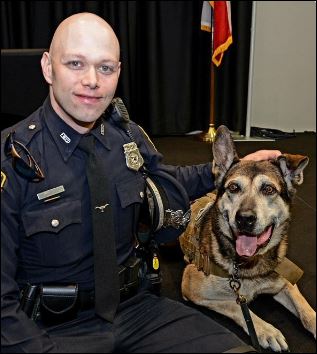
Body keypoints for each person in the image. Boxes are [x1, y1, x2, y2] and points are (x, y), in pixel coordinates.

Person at [1, 12, 281, 353]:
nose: (92, 80)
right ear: (48, 67)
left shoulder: (127, 138)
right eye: (75, 64)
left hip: (138, 312)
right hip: (54, 329)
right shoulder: (12, 160)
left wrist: (228, 171)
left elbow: (165, 180)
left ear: (118, 72)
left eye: (105, 68)